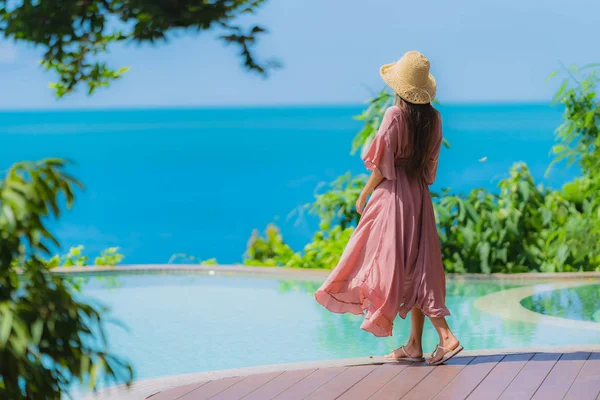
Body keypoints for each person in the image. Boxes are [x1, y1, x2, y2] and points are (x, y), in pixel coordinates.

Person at [314, 51, 462, 366]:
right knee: (418, 266)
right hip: (419, 196)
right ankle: (414, 345)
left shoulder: (394, 115)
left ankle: (446, 336)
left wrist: (365, 192)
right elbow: (430, 167)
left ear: (399, 86)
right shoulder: (434, 119)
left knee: (375, 259)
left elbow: (382, 162)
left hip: (393, 196)